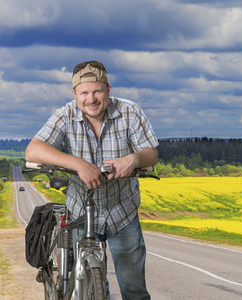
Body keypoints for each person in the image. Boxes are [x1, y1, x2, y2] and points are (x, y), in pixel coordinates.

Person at [25, 61, 158, 299]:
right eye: (84, 92)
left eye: (97, 91)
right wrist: (78, 164)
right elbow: (33, 150)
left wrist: (134, 159)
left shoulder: (130, 111)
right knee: (90, 288)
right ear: (74, 93)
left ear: (108, 89)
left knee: (135, 290)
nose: (91, 99)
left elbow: (152, 153)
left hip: (122, 212)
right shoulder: (65, 114)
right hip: (80, 212)